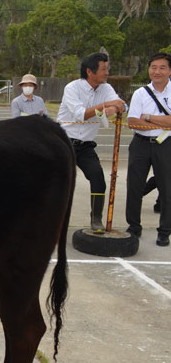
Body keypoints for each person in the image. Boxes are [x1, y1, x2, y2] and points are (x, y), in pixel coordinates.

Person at [57, 52, 127, 233]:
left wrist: (112, 106)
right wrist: (106, 106)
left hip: (86, 145)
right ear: (90, 71)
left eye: (107, 68)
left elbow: (122, 105)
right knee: (61, 184)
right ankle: (54, 221)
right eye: (104, 69)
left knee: (98, 179)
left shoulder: (106, 88)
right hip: (63, 143)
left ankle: (96, 219)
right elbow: (80, 114)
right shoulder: (72, 88)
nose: (107, 72)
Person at [125, 52, 171, 246]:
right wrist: (165, 122)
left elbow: (143, 119)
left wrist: (149, 117)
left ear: (169, 70)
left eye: (162, 67)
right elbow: (133, 122)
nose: (156, 71)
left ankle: (164, 232)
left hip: (166, 144)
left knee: (167, 189)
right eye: (153, 67)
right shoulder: (140, 93)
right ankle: (134, 227)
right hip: (141, 144)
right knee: (134, 187)